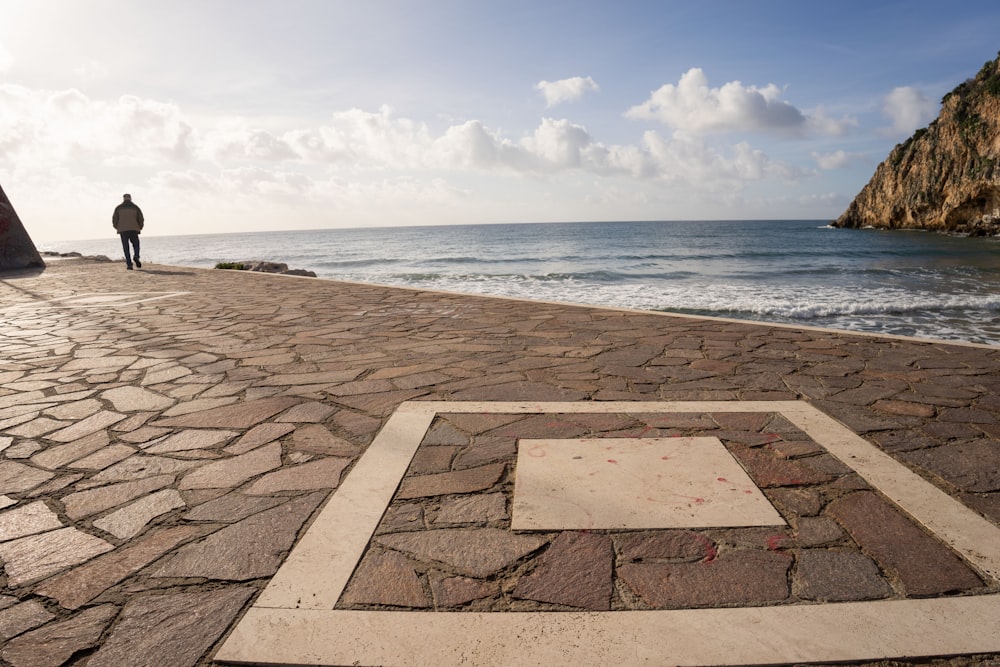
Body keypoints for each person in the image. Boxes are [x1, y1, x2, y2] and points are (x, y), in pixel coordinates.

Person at [112, 193, 144, 269]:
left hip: (123, 230)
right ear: (130, 198)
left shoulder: (118, 208)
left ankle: (129, 265)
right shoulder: (135, 207)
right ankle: (136, 256)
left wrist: (118, 227)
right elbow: (141, 218)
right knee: (136, 245)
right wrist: (140, 227)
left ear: (123, 198)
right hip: (133, 229)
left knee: (126, 248)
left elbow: (114, 219)